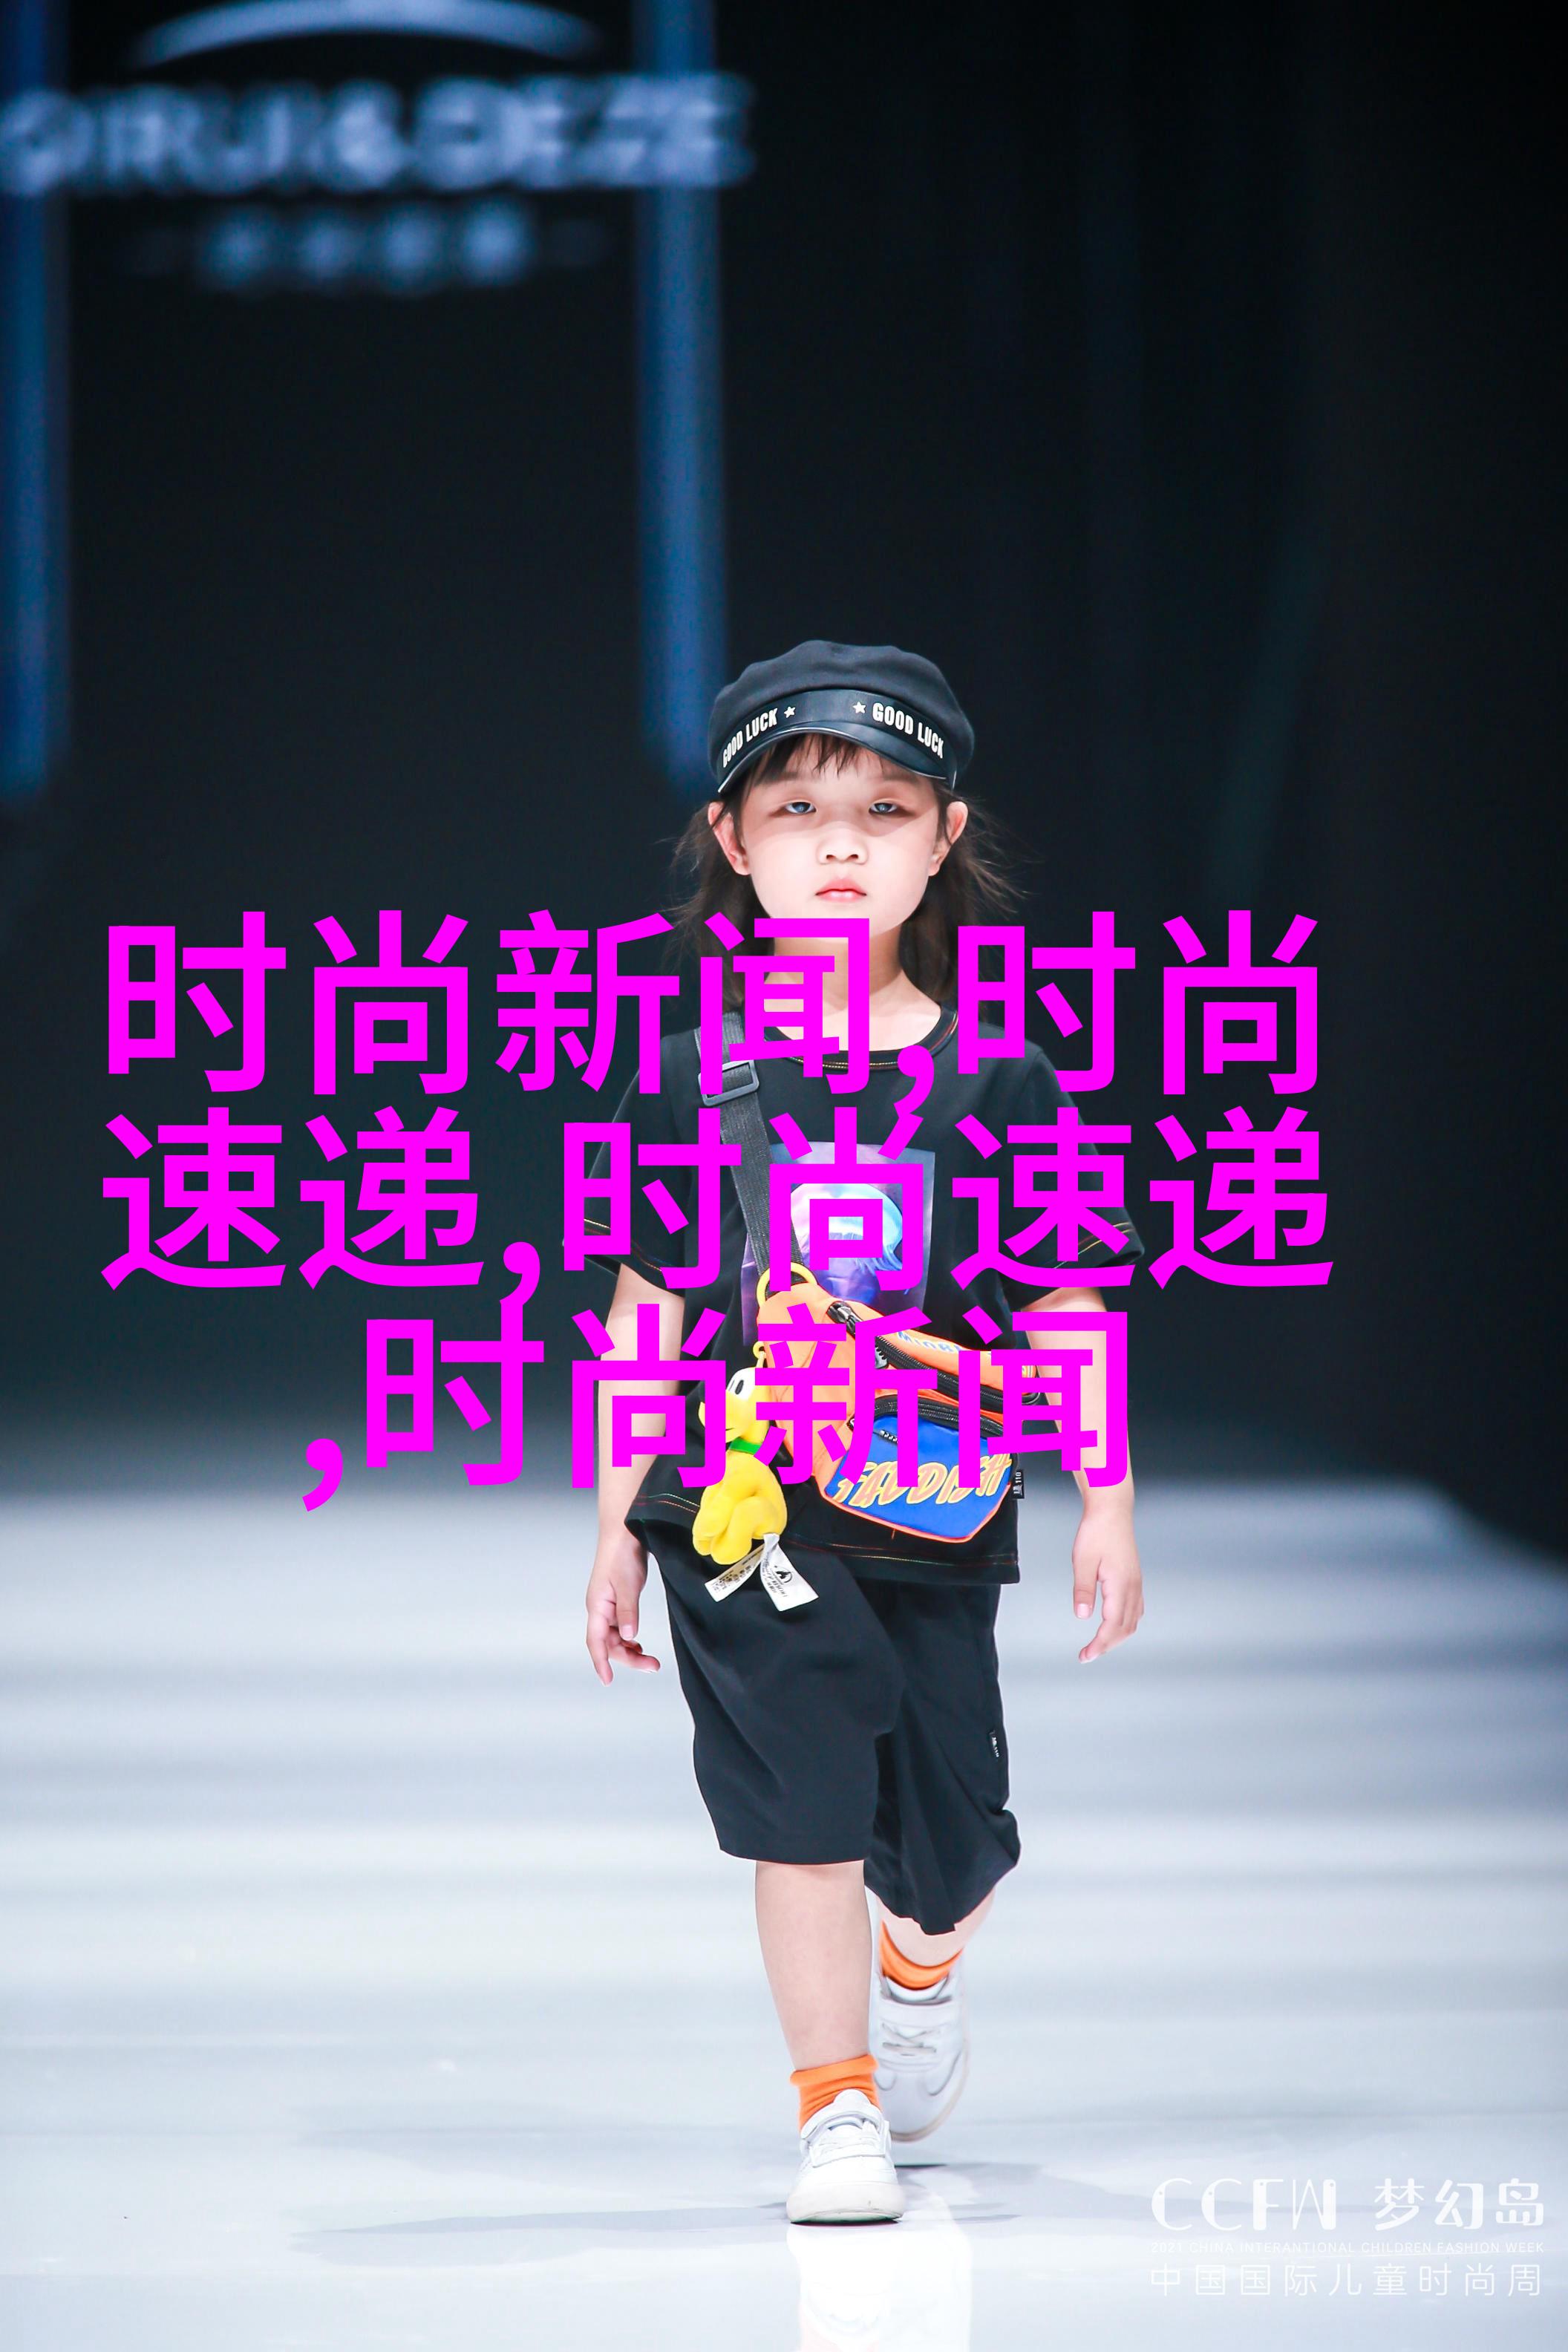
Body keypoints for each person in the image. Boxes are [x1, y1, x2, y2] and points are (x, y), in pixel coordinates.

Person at [581, 641, 1145, 2224]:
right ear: (733, 838)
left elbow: (1069, 1296)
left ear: (944, 838)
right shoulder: (688, 1082)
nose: (842, 844)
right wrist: (612, 1532)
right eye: (799, 809)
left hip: (935, 1492)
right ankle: (834, 2106)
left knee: (956, 1846)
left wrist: (1109, 1503)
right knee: (806, 1790)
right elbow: (648, 1312)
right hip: (737, 1499)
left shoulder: (1006, 1079)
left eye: (885, 810)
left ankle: (921, 1965)